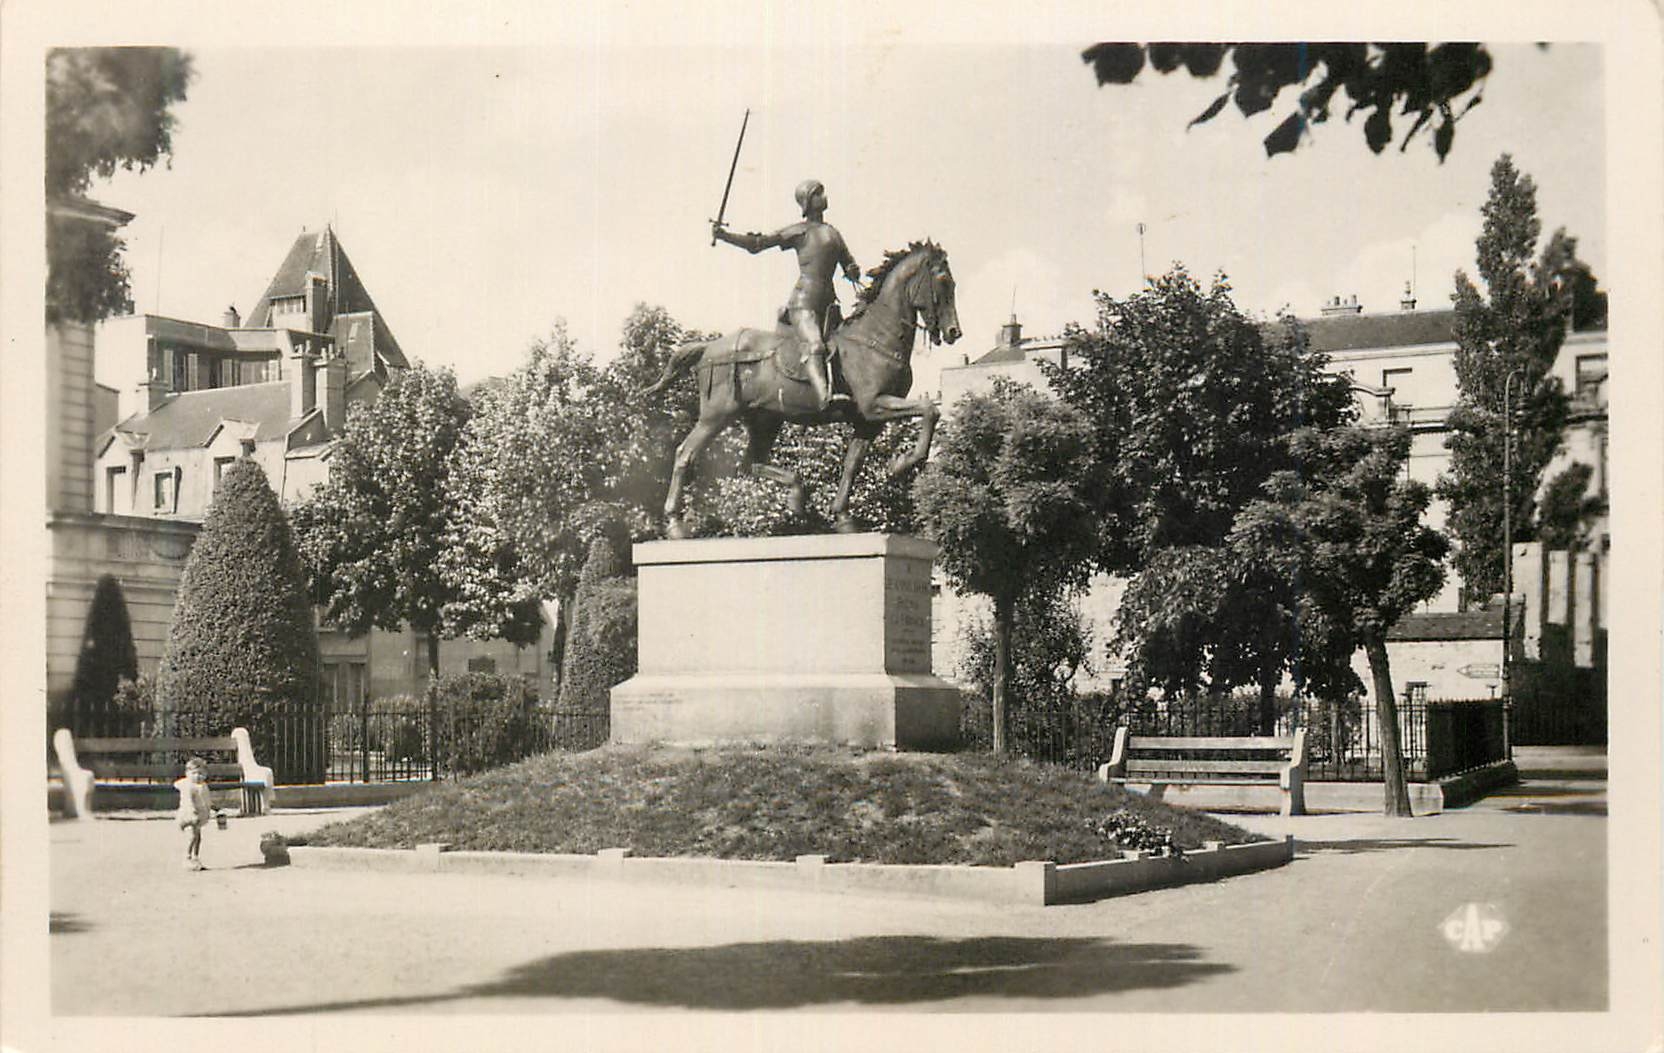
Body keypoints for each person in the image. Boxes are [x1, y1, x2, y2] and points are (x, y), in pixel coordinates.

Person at [712, 178, 862, 410]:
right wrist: (726, 236)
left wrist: (853, 270)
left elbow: (848, 263)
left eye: (822, 193)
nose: (824, 197)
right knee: (815, 345)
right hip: (804, 305)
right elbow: (757, 244)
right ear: (807, 202)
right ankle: (824, 396)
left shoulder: (833, 233)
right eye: (818, 194)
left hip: (829, 306)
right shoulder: (798, 231)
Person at [174, 757, 218, 871]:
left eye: (201, 773)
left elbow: (206, 799)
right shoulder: (188, 787)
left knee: (198, 837)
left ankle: (195, 857)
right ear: (187, 773)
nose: (197, 776)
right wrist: (192, 813)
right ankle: (187, 857)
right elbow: (188, 801)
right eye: (194, 773)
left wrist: (214, 807)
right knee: (192, 836)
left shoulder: (203, 785)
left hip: (199, 816)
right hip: (189, 815)